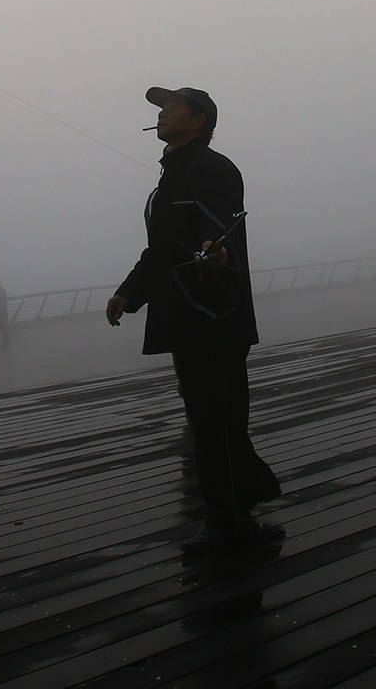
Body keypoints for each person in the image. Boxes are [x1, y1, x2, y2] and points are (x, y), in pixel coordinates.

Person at [106, 86, 280, 547]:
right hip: (186, 316)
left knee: (216, 421)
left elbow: (219, 223)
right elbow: (161, 249)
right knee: (208, 418)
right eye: (159, 110)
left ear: (198, 119)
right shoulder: (172, 176)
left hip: (213, 316)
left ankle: (227, 520)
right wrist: (130, 292)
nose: (160, 114)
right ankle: (250, 490)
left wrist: (215, 249)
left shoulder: (213, 168)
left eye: (169, 107)